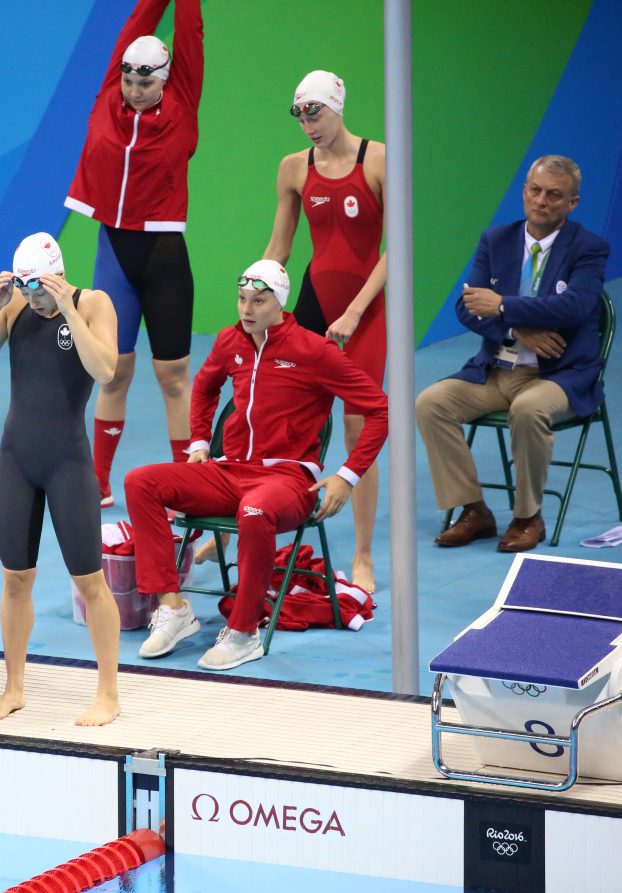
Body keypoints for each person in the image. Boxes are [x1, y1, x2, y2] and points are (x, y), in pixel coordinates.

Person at [124, 260, 387, 671]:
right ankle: (173, 607)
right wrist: (198, 441)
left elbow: (379, 410)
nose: (247, 309)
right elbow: (206, 387)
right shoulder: (230, 341)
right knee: (141, 482)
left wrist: (347, 476)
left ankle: (244, 632)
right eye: (242, 299)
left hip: (288, 479)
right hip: (228, 472)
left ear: (279, 304)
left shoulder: (314, 350)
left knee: (255, 510)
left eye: (259, 301)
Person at [0, 234, 121, 726]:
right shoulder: (15, 308)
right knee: (14, 578)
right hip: (17, 459)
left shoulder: (93, 303)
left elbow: (106, 370)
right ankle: (14, 688)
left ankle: (108, 694)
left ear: (57, 274)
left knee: (90, 581)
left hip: (67, 462)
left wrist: (69, 309)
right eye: (26, 288)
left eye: (39, 288)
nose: (33, 298)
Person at [416, 155, 608, 553]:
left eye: (554, 195)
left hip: (558, 376)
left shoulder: (589, 248)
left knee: (528, 409)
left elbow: (574, 307)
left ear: (572, 203)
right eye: (535, 191)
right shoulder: (496, 239)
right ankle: (473, 510)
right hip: (497, 370)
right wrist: (515, 327)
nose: (541, 201)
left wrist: (502, 305)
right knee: (431, 403)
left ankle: (527, 517)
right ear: (524, 192)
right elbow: (466, 306)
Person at [250, 70, 388, 593]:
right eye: (300, 114)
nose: (308, 124)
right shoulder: (293, 168)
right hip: (313, 301)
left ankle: (364, 555)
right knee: (276, 411)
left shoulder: (377, 159)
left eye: (316, 113)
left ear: (338, 107)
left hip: (366, 312)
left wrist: (353, 312)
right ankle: (248, 517)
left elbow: (395, 248)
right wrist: (255, 295)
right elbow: (280, 247)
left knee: (359, 429)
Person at [63, 0, 204, 508]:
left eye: (146, 82)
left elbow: (190, 35)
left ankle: (185, 485)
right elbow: (136, 24)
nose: (135, 89)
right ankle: (98, 481)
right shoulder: (107, 100)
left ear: (165, 81)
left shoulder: (183, 105)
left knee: (172, 377)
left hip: (164, 258)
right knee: (114, 371)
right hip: (114, 254)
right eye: (128, 79)